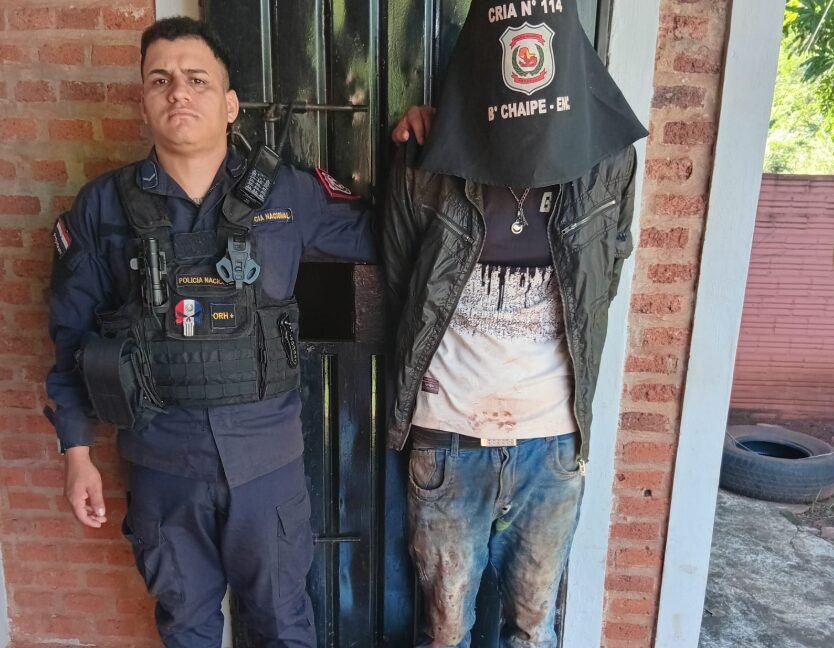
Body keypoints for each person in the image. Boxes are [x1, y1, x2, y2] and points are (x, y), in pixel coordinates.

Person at [47, 16, 426, 648]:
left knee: (282, 625)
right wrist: (76, 453)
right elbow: (71, 332)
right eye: (160, 80)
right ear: (143, 100)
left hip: (266, 465)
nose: (178, 92)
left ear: (229, 105)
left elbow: (392, 233)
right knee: (186, 627)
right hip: (162, 464)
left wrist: (420, 151)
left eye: (197, 79)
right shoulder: (103, 206)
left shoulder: (289, 194)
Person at [383, 1, 648, 646]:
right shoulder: (428, 158)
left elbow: (604, 278)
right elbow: (400, 283)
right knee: (444, 631)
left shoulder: (607, 163)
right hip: (448, 438)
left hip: (552, 443)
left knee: (533, 630)